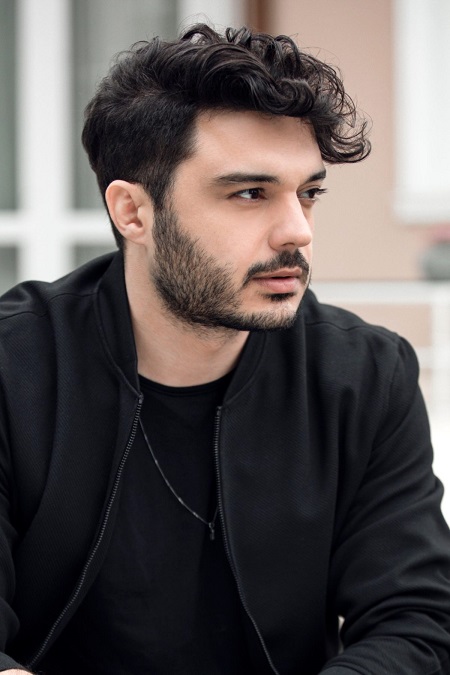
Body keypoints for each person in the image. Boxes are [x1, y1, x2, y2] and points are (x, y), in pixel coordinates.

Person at [0, 22, 449, 675]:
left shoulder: (364, 376)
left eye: (309, 193)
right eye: (249, 193)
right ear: (133, 212)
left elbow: (416, 620)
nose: (297, 230)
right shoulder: (14, 369)